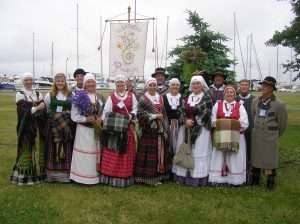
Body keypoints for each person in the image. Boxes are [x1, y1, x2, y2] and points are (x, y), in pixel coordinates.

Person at [172, 76, 213, 186]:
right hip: (185, 129)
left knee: (197, 152)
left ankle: (197, 179)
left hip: (201, 130)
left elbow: (207, 113)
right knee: (185, 150)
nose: (195, 85)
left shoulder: (207, 97)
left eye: (198, 83)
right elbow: (180, 111)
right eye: (194, 83)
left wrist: (193, 122)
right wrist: (185, 121)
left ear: (202, 85)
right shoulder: (186, 97)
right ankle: (182, 177)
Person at [100, 75, 137, 187]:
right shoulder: (112, 96)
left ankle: (124, 176)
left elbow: (135, 108)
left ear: (125, 83)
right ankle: (110, 176)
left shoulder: (131, 96)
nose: (120, 84)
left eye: (122, 82)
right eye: (118, 82)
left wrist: (132, 115)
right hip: (114, 129)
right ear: (115, 84)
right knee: (114, 150)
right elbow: (106, 111)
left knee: (125, 151)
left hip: (127, 128)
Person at [251, 76, 288, 190]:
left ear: (272, 88)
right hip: (257, 134)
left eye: (266, 86)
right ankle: (255, 179)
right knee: (256, 157)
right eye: (262, 85)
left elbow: (282, 124)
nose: (263, 87)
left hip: (270, 137)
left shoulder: (279, 104)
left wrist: (274, 134)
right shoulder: (255, 101)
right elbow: (254, 116)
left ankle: (271, 180)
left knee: (269, 160)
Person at [11, 73, 47, 185]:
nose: (28, 82)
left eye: (30, 80)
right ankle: (23, 176)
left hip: (38, 127)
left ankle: (38, 175)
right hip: (26, 127)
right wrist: (37, 108)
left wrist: (36, 110)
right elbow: (22, 112)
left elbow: (43, 111)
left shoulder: (38, 94)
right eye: (26, 80)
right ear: (23, 81)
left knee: (38, 149)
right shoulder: (20, 94)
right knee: (26, 149)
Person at [209, 85, 249, 186]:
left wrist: (226, 124)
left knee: (234, 156)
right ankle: (218, 180)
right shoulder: (218, 105)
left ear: (235, 94)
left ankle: (235, 180)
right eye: (227, 92)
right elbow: (212, 120)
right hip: (220, 135)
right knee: (219, 156)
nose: (229, 94)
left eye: (231, 92)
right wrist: (228, 123)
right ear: (224, 94)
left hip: (235, 136)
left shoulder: (240, 106)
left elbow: (244, 123)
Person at [70, 73, 105, 184]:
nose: (91, 84)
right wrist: (86, 119)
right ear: (85, 84)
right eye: (88, 82)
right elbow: (74, 115)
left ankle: (95, 176)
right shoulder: (80, 96)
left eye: (92, 82)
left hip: (96, 130)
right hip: (84, 131)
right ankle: (81, 177)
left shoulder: (100, 97)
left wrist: (102, 118)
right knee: (84, 154)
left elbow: (106, 111)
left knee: (95, 153)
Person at [135, 78, 171, 186]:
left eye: (154, 85)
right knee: (148, 154)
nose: (152, 87)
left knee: (158, 153)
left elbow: (163, 113)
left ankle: (157, 176)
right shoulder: (143, 99)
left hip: (159, 129)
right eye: (150, 85)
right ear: (147, 86)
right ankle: (146, 178)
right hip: (148, 130)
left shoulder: (160, 98)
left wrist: (165, 126)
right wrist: (155, 116)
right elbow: (140, 114)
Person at [44, 73, 74, 183]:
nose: (60, 83)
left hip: (66, 125)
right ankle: (52, 175)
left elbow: (73, 109)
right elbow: (47, 109)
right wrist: (56, 117)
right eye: (58, 81)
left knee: (66, 148)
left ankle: (66, 176)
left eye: (62, 81)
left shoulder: (71, 94)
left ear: (65, 82)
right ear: (55, 82)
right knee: (52, 147)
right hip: (53, 125)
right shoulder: (49, 95)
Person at [236, 79, 255, 183]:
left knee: (249, 151)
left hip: (250, 130)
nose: (244, 87)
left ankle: (248, 172)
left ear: (249, 86)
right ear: (239, 86)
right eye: (242, 85)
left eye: (246, 85)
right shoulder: (235, 98)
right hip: (238, 131)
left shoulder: (254, 99)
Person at [163, 78, 182, 156]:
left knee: (178, 145)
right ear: (169, 86)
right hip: (167, 125)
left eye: (177, 85)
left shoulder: (182, 97)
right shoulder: (164, 98)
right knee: (167, 145)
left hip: (180, 126)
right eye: (173, 85)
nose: (175, 86)